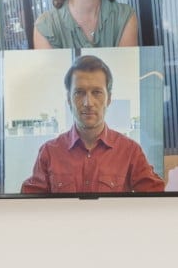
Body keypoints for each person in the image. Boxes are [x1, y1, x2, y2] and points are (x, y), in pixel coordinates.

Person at [20, 55, 164, 194]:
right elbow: (29, 206)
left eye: (96, 92)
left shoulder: (130, 151)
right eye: (79, 93)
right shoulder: (49, 152)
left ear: (109, 99)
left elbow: (157, 200)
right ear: (69, 100)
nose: (88, 103)